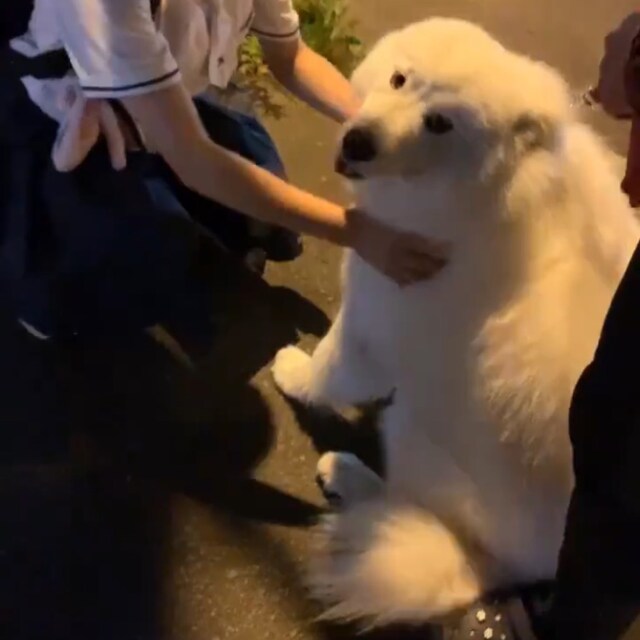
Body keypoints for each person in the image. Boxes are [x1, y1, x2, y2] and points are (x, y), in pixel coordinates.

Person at [0, 0, 448, 340]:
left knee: (253, 206)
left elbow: (291, 58)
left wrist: (378, 130)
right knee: (139, 254)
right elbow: (194, 159)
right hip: (62, 123)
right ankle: (50, 286)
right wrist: (356, 231)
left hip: (167, 105)